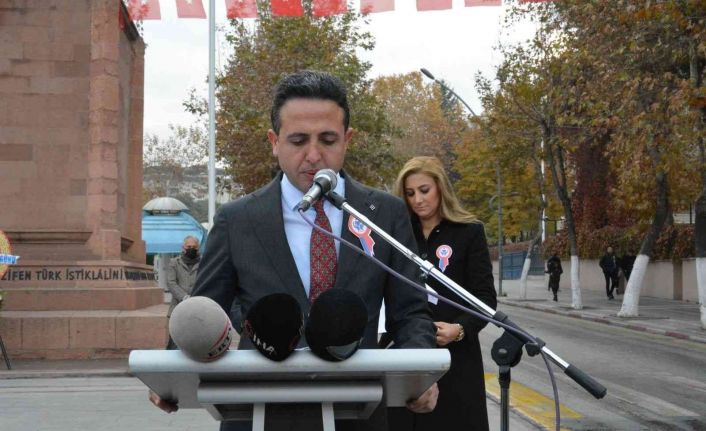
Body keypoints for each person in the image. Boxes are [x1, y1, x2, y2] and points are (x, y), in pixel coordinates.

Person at [149, 70, 438, 430]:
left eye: (328, 140)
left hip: (357, 408)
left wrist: (419, 371)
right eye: (298, 140)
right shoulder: (237, 219)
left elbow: (410, 312)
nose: (314, 155)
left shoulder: (384, 214)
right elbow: (204, 309)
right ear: (274, 141)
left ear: (347, 139)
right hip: (257, 409)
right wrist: (169, 372)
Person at [388, 156, 497, 431]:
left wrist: (459, 329)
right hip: (406, 354)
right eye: (410, 193)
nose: (417, 200)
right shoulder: (396, 234)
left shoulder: (469, 232)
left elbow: (485, 299)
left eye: (424, 190)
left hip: (456, 360)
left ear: (441, 188)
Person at [165, 236, 201, 349]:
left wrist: (195, 298)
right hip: (177, 307)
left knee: (196, 341)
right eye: (188, 246)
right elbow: (171, 282)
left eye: (194, 247)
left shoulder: (204, 263)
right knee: (175, 342)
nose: (191, 249)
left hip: (197, 307)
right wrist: (184, 297)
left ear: (198, 248)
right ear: (183, 247)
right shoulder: (174, 262)